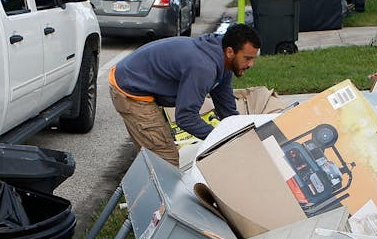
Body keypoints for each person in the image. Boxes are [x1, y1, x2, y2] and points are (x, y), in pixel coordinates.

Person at [107, 24, 262, 165]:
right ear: (230, 52)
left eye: (253, 59)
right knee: (165, 161)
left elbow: (227, 111)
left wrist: (244, 135)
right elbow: (186, 117)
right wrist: (221, 140)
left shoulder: (224, 63)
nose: (251, 65)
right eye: (247, 58)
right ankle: (141, 192)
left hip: (141, 80)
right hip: (130, 88)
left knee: (158, 151)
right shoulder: (203, 67)